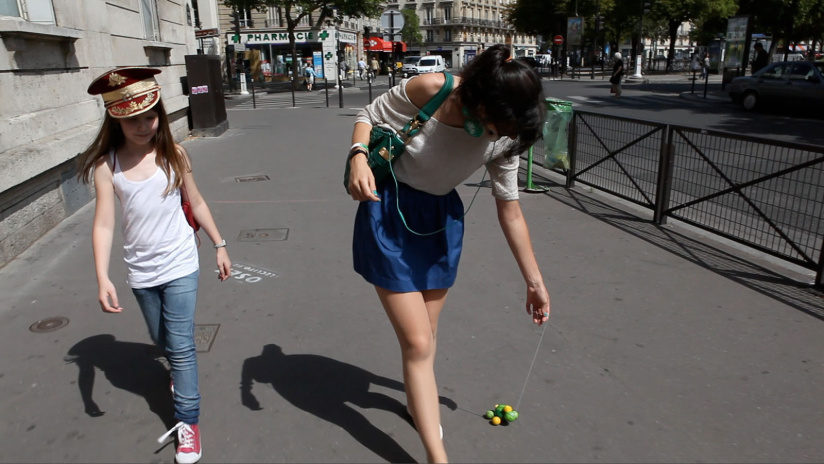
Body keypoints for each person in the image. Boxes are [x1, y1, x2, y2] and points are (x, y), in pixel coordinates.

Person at [345, 44, 551, 463]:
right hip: (389, 214)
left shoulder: (507, 134)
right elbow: (369, 115)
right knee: (419, 343)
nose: (501, 136)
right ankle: (438, 457)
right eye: (497, 125)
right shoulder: (432, 88)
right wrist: (358, 157)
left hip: (439, 223)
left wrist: (535, 282)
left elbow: (510, 210)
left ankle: (414, 403)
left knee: (426, 338)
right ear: (479, 101)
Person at [77, 67, 232, 464]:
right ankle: (178, 376)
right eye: (133, 120)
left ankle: (188, 424)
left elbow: (196, 202)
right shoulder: (107, 167)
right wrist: (101, 277)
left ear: (160, 114)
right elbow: (105, 223)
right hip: (141, 271)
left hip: (181, 262)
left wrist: (219, 244)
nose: (144, 126)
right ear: (116, 119)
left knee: (180, 348)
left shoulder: (174, 154)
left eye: (150, 116)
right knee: (161, 339)